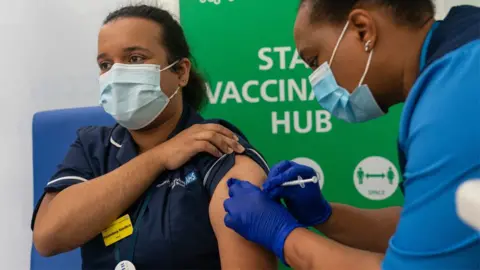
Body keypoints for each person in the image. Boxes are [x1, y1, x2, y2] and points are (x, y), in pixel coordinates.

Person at [223, 1, 480, 269]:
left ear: (362, 30)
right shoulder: (459, 54)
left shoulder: (455, 93)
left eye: (314, 61)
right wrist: (325, 216)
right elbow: (432, 229)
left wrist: (282, 235)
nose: (317, 84)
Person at [31, 5, 277, 270]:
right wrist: (158, 158)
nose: (117, 74)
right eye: (106, 64)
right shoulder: (93, 146)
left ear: (180, 72)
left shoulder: (217, 148)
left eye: (135, 59)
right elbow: (47, 237)